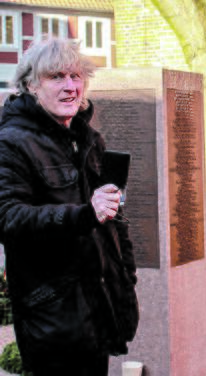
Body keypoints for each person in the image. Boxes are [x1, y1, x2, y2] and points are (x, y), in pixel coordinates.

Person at [0, 38, 138, 375]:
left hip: (100, 306)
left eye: (76, 77)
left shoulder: (88, 138)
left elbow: (113, 219)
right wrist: (84, 214)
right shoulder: (11, 141)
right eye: (57, 77)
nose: (70, 87)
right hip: (52, 314)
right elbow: (8, 217)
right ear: (31, 85)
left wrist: (127, 275)